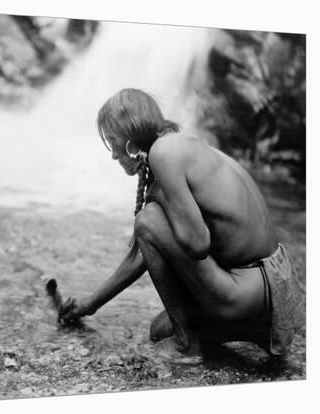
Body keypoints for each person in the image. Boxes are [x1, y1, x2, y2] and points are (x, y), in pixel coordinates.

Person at [59, 88, 304, 358]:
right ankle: (252, 330)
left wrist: (157, 200)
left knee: (148, 218)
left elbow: (197, 243)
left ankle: (189, 345)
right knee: (159, 330)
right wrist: (89, 305)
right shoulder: (180, 146)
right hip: (272, 288)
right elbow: (142, 253)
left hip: (249, 289)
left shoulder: (163, 153)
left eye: (112, 141)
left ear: (130, 141)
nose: (113, 154)